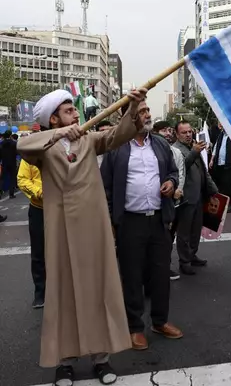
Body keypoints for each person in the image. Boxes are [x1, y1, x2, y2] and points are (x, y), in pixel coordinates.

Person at [18, 88, 148, 385]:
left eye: (75, 111)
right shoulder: (43, 148)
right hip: (61, 231)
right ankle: (64, 362)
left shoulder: (90, 140)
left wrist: (133, 104)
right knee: (63, 294)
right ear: (53, 119)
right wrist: (60, 133)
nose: (76, 114)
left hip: (93, 228)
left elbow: (121, 133)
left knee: (97, 289)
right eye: (68, 111)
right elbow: (23, 146)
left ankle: (101, 359)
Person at [101, 101, 182, 351]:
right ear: (129, 117)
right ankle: (135, 327)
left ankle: (160, 321)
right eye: (142, 111)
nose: (147, 115)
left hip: (158, 220)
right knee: (132, 275)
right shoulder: (116, 147)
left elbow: (172, 172)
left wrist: (170, 182)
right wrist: (112, 222)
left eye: (148, 110)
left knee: (160, 274)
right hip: (130, 222)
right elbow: (106, 187)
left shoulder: (159, 143)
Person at [173, 121, 218, 275]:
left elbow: (203, 171)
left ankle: (192, 255)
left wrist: (213, 191)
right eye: (184, 132)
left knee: (196, 229)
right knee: (184, 232)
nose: (188, 134)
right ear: (177, 135)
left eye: (190, 131)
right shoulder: (176, 149)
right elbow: (180, 168)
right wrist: (194, 152)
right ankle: (184, 261)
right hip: (186, 197)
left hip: (199, 196)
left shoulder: (194, 146)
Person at [152, 120, 185, 280]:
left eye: (169, 130)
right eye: (163, 130)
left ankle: (165, 267)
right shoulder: (149, 150)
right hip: (154, 204)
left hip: (172, 201)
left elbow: (178, 173)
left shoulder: (175, 152)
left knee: (168, 237)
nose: (167, 133)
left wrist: (175, 187)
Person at [17, 157, 45, 309]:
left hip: (63, 209)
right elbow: (22, 180)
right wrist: (39, 192)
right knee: (39, 253)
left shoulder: (65, 150)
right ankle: (40, 292)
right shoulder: (30, 156)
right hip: (38, 210)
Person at [209, 124, 231, 212]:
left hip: (229, 165)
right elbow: (216, 147)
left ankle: (230, 205)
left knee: (227, 184)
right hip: (219, 163)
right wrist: (212, 160)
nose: (221, 125)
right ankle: (227, 204)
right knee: (221, 185)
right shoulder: (221, 134)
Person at [0, 130, 18, 199]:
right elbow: (17, 152)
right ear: (10, 135)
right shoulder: (14, 143)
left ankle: (0, 192)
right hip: (12, 162)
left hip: (4, 163)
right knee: (12, 178)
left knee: (2, 178)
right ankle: (11, 194)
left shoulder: (1, 143)